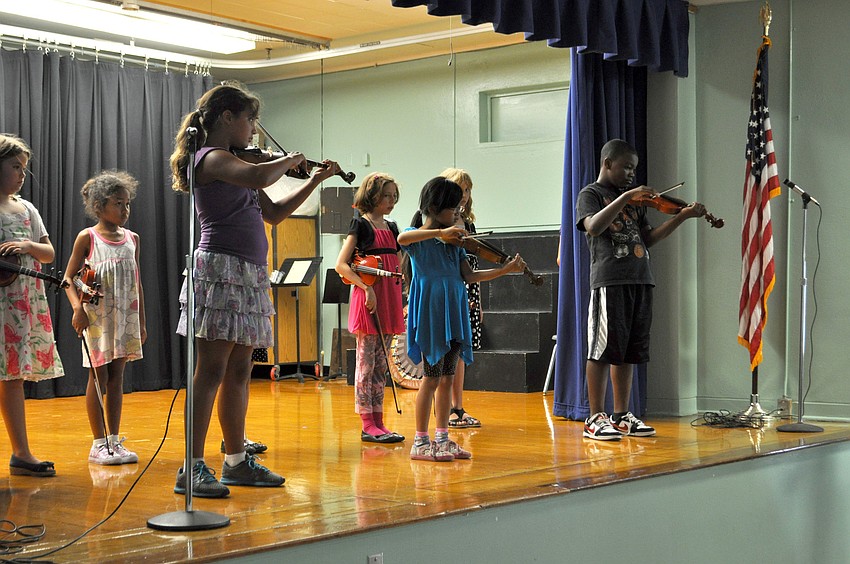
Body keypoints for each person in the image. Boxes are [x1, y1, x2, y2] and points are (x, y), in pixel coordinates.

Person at [169, 83, 340, 497]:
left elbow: (275, 213)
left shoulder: (240, 162)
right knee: (209, 371)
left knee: (240, 371)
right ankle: (191, 467)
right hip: (220, 270)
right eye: (250, 121)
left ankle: (235, 461)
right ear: (227, 117)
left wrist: (313, 180)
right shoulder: (209, 159)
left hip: (248, 273)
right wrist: (290, 159)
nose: (253, 131)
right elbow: (260, 173)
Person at [575, 139, 705, 440]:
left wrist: (682, 216)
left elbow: (648, 238)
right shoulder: (591, 194)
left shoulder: (633, 202)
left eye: (634, 168)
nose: (632, 173)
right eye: (627, 167)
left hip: (640, 278)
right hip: (610, 280)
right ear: (608, 163)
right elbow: (593, 227)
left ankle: (621, 415)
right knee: (602, 349)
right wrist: (627, 197)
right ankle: (595, 417)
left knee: (630, 351)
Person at [398, 177, 525, 461]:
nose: (458, 215)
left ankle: (442, 437)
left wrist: (505, 270)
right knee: (430, 380)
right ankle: (420, 441)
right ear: (434, 207)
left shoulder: (455, 244)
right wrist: (438, 234)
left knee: (447, 378)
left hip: (454, 313)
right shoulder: (419, 238)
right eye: (453, 210)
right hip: (432, 314)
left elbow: (469, 276)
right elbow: (403, 238)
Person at [63, 170, 146, 466]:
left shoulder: (132, 239)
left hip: (125, 318)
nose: (124, 210)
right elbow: (68, 279)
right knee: (98, 376)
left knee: (118, 376)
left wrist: (142, 323)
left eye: (127, 204)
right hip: (97, 319)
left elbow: (137, 283)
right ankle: (98, 443)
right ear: (99, 207)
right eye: (118, 204)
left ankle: (114, 440)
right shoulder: (87, 237)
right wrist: (77, 309)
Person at [0, 134, 64, 477]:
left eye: (24, 168)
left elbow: (49, 253)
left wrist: (26, 245)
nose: (22, 174)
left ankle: (21, 452)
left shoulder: (27, 209)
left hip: (20, 304)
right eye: (14, 167)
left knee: (11, 377)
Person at [335, 172, 406, 444]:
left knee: (381, 364)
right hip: (369, 297)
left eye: (393, 196)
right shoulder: (360, 225)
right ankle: (367, 423)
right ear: (372, 195)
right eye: (386, 196)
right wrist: (366, 288)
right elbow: (342, 264)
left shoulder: (393, 227)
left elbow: (398, 265)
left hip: (389, 297)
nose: (391, 201)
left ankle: (379, 420)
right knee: (366, 363)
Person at [438, 168, 481, 429]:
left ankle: (458, 407)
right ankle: (443, 409)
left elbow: (472, 266)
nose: (464, 196)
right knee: (445, 351)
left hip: (468, 290)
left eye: (467, 190)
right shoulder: (437, 223)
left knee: (462, 351)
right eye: (459, 189)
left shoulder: (469, 223)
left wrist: (478, 300)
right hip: (448, 290)